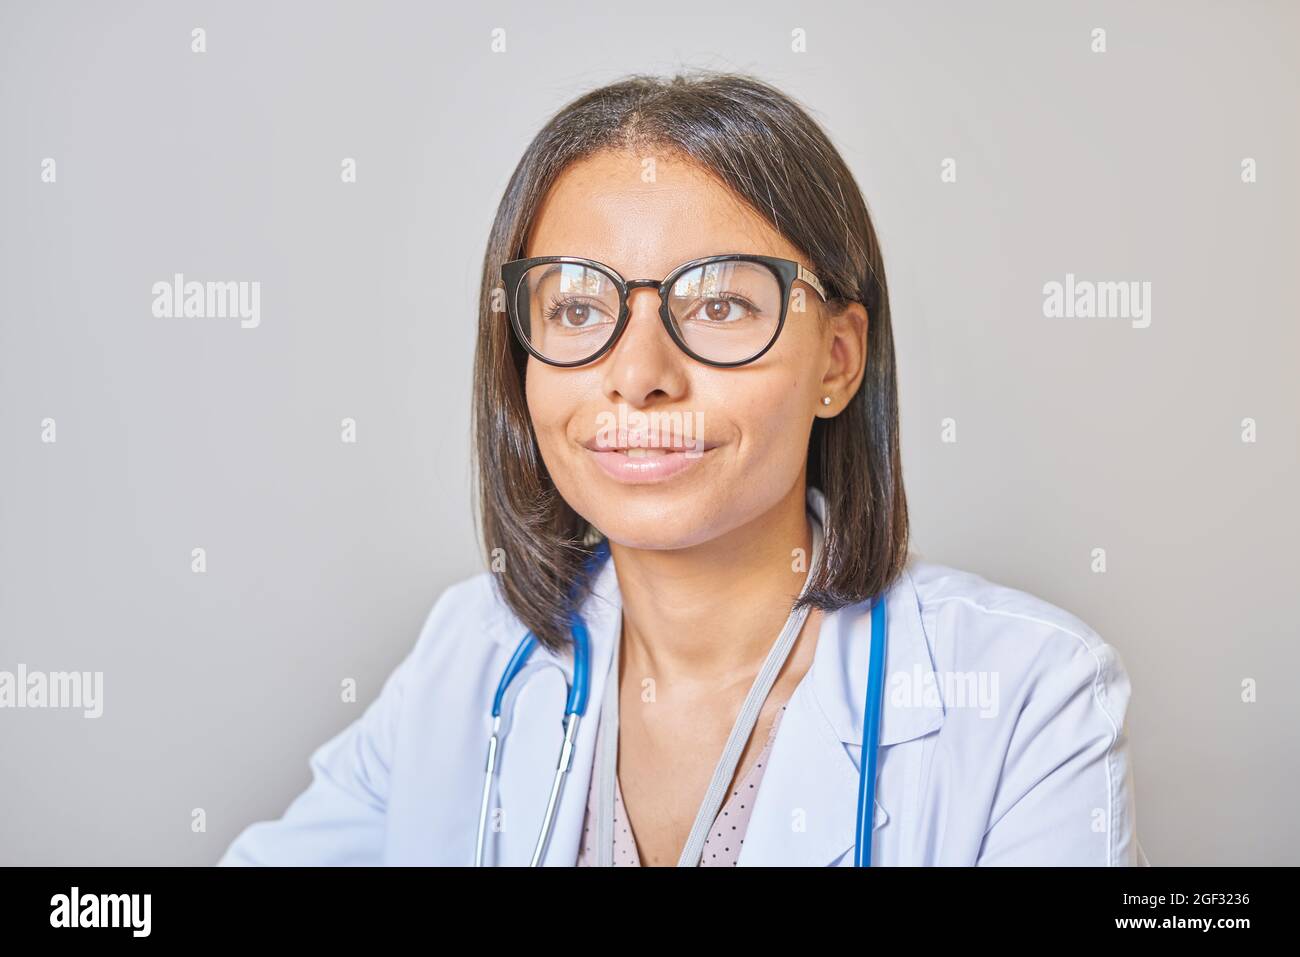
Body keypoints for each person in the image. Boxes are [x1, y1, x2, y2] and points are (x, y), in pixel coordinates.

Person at [219, 72, 1145, 867]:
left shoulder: (1029, 690)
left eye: (722, 305)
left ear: (836, 359)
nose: (640, 376)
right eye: (578, 309)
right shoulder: (469, 656)